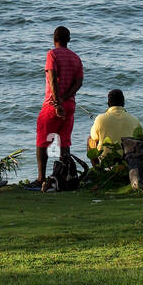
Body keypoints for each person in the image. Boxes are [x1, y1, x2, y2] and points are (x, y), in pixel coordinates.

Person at [30, 25, 84, 188]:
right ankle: (64, 176)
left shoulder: (51, 54)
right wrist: (66, 98)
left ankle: (41, 178)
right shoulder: (76, 58)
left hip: (52, 105)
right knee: (64, 142)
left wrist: (57, 102)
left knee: (42, 141)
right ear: (69, 40)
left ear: (54, 39)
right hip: (69, 105)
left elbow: (52, 79)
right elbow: (79, 83)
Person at [88, 89, 143, 154]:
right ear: (123, 102)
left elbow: (94, 137)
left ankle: (96, 163)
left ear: (108, 103)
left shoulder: (99, 118)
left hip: (107, 160)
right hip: (129, 159)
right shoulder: (134, 119)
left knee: (90, 139)